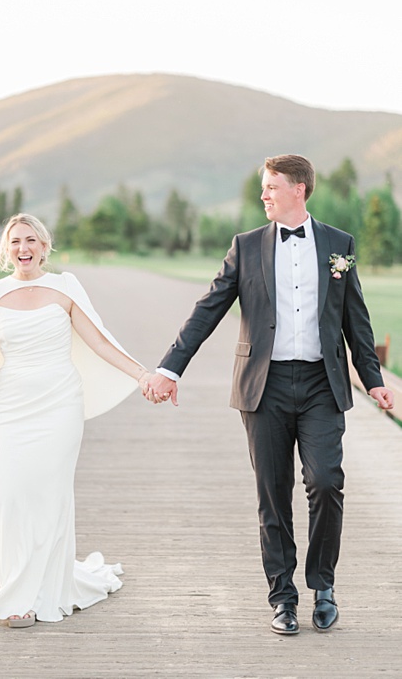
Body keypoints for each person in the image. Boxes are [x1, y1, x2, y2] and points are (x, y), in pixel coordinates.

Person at [141, 155, 392, 635]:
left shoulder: (340, 246)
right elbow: (208, 309)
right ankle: (282, 597)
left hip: (322, 382)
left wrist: (374, 378)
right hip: (264, 387)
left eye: (272, 186)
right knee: (271, 495)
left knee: (325, 482)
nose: (264, 195)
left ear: (299, 189)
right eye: (263, 187)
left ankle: (323, 586)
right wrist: (170, 367)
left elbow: (355, 319)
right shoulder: (246, 246)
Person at [0, 213, 149, 626]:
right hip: (11, 408)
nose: (23, 248)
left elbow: (98, 340)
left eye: (31, 240)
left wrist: (142, 374)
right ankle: (16, 591)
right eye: (15, 241)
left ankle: (36, 595)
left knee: (50, 495)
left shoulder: (65, 286)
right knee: (8, 497)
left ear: (44, 245)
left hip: (59, 406)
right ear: (7, 250)